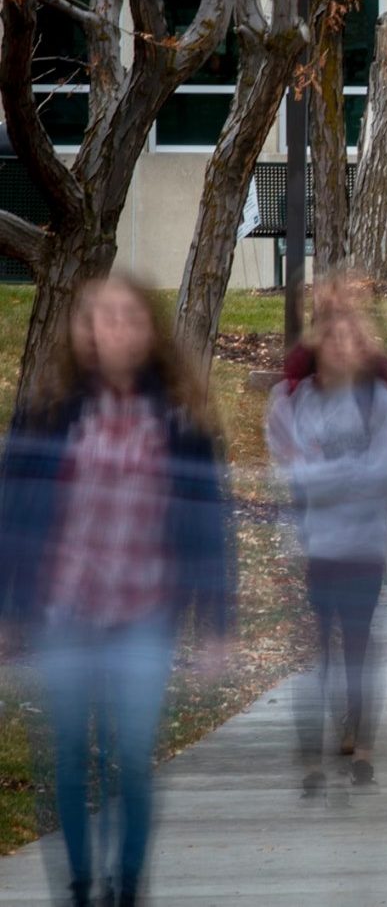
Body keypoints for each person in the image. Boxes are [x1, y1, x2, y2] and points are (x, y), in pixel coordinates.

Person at [0, 274, 234, 907]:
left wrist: (217, 626)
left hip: (144, 614)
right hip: (65, 610)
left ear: (149, 330)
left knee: (131, 755)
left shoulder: (180, 415)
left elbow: (210, 521)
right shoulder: (49, 409)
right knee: (69, 756)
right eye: (102, 317)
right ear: (84, 333)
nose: (116, 329)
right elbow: (14, 514)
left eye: (129, 316)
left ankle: (127, 886)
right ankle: (80, 887)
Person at [267, 280, 387, 794]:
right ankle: (312, 749)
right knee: (319, 646)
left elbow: (383, 468)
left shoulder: (376, 401)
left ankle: (361, 739)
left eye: (352, 337)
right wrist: (344, 473)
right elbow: (292, 471)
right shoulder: (297, 400)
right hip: (316, 543)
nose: (342, 346)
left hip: (364, 544)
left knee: (359, 644)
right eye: (333, 337)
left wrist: (327, 472)